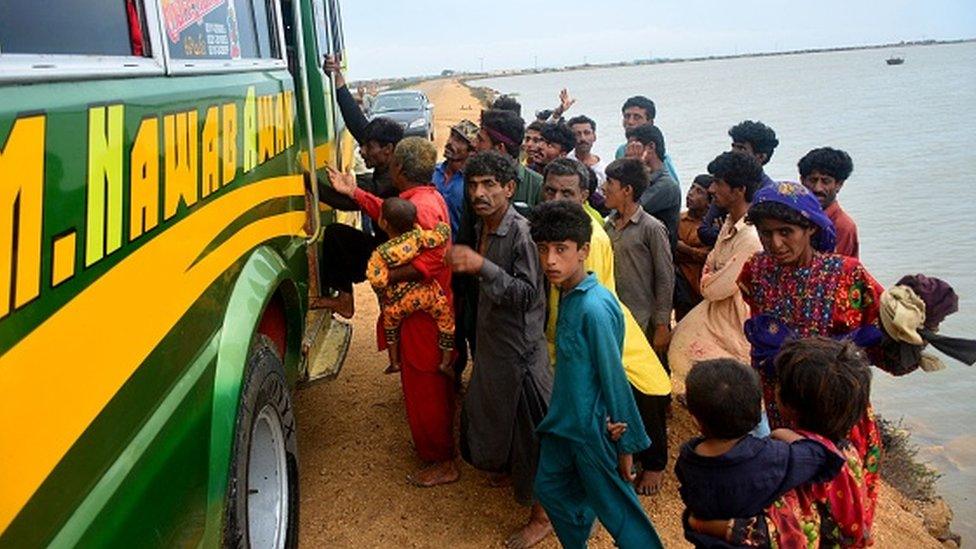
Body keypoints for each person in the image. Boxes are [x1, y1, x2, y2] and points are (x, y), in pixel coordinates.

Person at [737, 180, 894, 525]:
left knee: (843, 513)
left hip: (839, 418)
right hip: (782, 411)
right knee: (798, 515)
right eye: (765, 234)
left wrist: (907, 327)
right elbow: (758, 327)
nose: (774, 244)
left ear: (810, 227)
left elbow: (886, 344)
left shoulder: (848, 276)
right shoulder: (756, 271)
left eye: (785, 232)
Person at [530, 200, 664, 549]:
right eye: (543, 250)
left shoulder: (594, 307)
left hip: (592, 428)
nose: (550, 261)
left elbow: (614, 376)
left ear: (584, 251)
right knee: (550, 488)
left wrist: (626, 444)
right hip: (563, 423)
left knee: (621, 512)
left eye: (561, 250)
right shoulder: (569, 296)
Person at [327, 137, 459, 487]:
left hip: (421, 315)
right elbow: (389, 213)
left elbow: (428, 260)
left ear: (398, 169)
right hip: (429, 308)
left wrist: (386, 277)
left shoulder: (422, 207)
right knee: (426, 382)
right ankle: (436, 449)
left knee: (424, 385)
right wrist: (354, 193)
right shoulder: (423, 199)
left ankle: (442, 461)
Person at [541, 158, 673, 496]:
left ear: (584, 195)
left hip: (605, 328)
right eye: (550, 191)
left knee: (645, 391)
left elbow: (585, 295)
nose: (557, 200)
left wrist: (556, 345)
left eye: (567, 193)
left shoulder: (592, 238)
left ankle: (654, 463)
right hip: (599, 325)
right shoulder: (565, 227)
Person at [445, 151, 553, 547]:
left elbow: (528, 296)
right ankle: (508, 471)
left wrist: (481, 267)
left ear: (510, 188)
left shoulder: (522, 233)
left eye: (490, 184)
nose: (479, 193)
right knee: (497, 417)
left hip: (521, 354)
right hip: (495, 347)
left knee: (533, 437)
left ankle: (542, 517)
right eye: (473, 185)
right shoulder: (482, 226)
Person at [689, 339, 876, 548]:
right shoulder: (849, 453)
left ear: (788, 405)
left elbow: (773, 534)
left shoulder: (785, 466)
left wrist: (703, 525)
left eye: (778, 382)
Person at [315, 56, 405, 317]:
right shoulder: (389, 154)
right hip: (385, 246)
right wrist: (340, 82)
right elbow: (359, 125)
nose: (361, 151)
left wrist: (306, 182)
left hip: (400, 257)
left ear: (387, 150)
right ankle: (345, 299)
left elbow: (345, 201)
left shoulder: (392, 179)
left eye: (367, 148)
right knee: (336, 236)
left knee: (393, 312)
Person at [668, 153, 764, 395]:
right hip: (718, 314)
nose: (712, 189)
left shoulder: (750, 237)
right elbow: (710, 264)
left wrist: (713, 276)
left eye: (718, 183)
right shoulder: (729, 224)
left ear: (739, 190)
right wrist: (714, 275)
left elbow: (715, 288)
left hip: (734, 324)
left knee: (740, 389)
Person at [366, 198, 453, 376]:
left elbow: (377, 280)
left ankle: (394, 362)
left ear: (383, 223)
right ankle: (445, 362)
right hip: (426, 294)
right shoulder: (418, 237)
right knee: (446, 320)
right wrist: (443, 227)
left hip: (399, 301)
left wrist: (383, 294)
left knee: (390, 324)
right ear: (414, 222)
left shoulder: (381, 253)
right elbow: (439, 237)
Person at [603, 158, 675, 358]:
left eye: (610, 183)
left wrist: (662, 325)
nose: (603, 187)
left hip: (645, 323)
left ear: (627, 190)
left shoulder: (651, 228)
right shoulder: (607, 226)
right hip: (615, 319)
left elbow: (665, 277)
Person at [698, 120, 779, 247]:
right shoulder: (725, 185)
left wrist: (728, 231)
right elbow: (704, 231)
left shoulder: (769, 193)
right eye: (733, 146)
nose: (734, 152)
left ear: (761, 157)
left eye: (741, 148)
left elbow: (763, 238)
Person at [624, 123, 681, 251]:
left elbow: (626, 211)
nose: (629, 151)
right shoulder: (645, 179)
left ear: (650, 147)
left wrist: (633, 167)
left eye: (634, 147)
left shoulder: (666, 185)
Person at [478, 109, 544, 216]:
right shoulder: (475, 181)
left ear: (499, 148)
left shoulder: (537, 185)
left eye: (480, 140)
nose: (474, 145)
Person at [799, 146, 859, 257]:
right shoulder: (792, 214)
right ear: (802, 181)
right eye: (813, 180)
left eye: (825, 181)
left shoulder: (843, 226)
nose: (818, 188)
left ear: (839, 185)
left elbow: (836, 269)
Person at [613, 95, 679, 183]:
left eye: (637, 117)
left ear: (650, 122)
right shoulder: (621, 151)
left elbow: (672, 187)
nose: (630, 122)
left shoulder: (657, 156)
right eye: (627, 116)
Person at [674, 175, 713, 320]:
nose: (691, 193)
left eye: (699, 192)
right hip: (680, 289)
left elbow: (708, 256)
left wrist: (684, 248)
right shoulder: (678, 219)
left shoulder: (712, 228)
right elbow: (670, 251)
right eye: (691, 188)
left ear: (710, 203)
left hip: (700, 290)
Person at [433, 120, 478, 238]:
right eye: (451, 136)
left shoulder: (472, 183)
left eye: (458, 141)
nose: (449, 142)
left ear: (471, 151)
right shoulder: (432, 172)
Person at [567, 115, 607, 186]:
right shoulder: (565, 162)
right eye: (577, 134)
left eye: (587, 133)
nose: (583, 138)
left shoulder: (603, 170)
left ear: (594, 136)